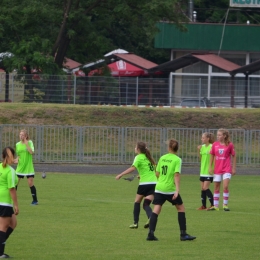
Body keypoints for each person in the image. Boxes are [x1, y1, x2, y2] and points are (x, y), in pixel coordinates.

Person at [146, 139, 196, 241]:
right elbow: (176, 175)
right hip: (170, 189)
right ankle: (183, 234)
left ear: (169, 148)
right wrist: (177, 190)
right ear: (177, 148)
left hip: (159, 187)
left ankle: (150, 234)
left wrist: (162, 180)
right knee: (181, 208)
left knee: (156, 209)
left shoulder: (162, 158)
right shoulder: (177, 159)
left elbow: (157, 173)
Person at [116, 142, 157, 229]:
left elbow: (132, 168)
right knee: (146, 204)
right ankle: (150, 217)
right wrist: (140, 175)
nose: (134, 148)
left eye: (135, 147)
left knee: (137, 202)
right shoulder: (149, 158)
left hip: (144, 184)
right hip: (154, 184)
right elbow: (153, 171)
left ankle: (135, 223)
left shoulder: (138, 157)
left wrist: (121, 174)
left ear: (138, 149)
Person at [208, 128, 236, 211]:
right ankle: (216, 206)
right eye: (217, 135)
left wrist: (234, 168)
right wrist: (210, 167)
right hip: (217, 169)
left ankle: (225, 205)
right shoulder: (215, 144)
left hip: (227, 168)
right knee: (216, 187)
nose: (218, 136)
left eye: (219, 135)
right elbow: (212, 155)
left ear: (224, 136)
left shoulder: (230, 145)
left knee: (225, 186)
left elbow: (234, 155)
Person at [0, 147, 19, 258]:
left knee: (13, 223)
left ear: (3, 156)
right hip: (5, 202)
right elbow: (12, 189)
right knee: (3, 227)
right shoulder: (10, 171)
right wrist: (16, 205)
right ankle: (0, 253)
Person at [14, 129, 38, 205]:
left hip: (28, 167)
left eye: (23, 135)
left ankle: (35, 201)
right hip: (20, 167)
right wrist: (16, 160)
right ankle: (12, 200)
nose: (21, 136)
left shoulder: (30, 142)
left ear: (26, 136)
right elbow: (19, 155)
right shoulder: (17, 144)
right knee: (15, 183)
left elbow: (31, 152)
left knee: (30, 183)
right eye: (20, 134)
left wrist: (26, 144)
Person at [197, 132, 214, 210]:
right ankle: (203, 205)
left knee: (205, 187)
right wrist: (198, 150)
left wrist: (212, 168)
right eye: (202, 137)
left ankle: (213, 205)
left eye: (203, 138)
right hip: (202, 171)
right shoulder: (202, 147)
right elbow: (201, 159)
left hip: (209, 171)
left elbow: (214, 157)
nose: (202, 139)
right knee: (202, 189)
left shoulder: (212, 146)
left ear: (208, 139)